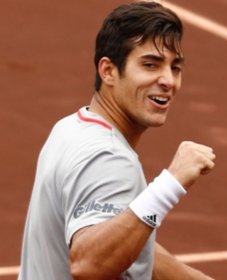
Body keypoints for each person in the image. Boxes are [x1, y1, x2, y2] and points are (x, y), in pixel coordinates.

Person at [18, 1, 216, 279]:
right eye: (150, 65)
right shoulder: (109, 158)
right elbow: (89, 263)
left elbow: (129, 240)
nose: (168, 80)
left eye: (175, 68)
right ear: (108, 71)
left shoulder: (70, 128)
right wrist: (170, 184)